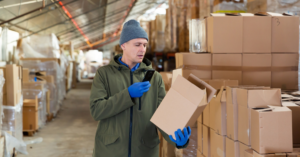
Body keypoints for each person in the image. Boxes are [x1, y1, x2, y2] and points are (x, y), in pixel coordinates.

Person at [90, 19, 191, 157]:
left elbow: (163, 116)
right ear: (123, 45)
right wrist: (128, 95)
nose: (142, 49)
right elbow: (97, 110)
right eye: (137, 44)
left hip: (145, 151)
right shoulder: (104, 74)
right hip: (111, 150)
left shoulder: (155, 78)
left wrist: (177, 140)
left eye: (144, 45)